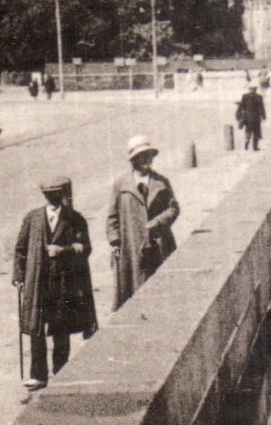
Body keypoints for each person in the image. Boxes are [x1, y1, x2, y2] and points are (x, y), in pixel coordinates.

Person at [12, 176, 98, 391]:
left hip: (63, 283)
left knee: (62, 328)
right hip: (38, 282)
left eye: (56, 195)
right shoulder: (32, 218)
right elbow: (20, 249)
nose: (52, 199)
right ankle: (38, 375)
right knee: (36, 328)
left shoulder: (75, 219)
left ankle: (61, 372)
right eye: (48, 195)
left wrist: (65, 251)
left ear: (62, 195)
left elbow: (85, 247)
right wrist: (19, 276)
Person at [106, 136, 181, 309]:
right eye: (142, 156)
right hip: (132, 245)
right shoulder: (121, 184)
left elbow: (174, 208)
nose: (148, 159)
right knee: (133, 286)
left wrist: (158, 222)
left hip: (159, 243)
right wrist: (115, 240)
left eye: (149, 155)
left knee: (161, 286)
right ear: (133, 160)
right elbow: (112, 216)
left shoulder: (161, 182)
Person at [236, 83, 267, 151]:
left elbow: (241, 106)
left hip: (248, 117)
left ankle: (247, 141)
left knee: (248, 130)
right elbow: (261, 107)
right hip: (256, 118)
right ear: (256, 89)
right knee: (256, 132)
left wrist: (238, 115)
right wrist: (263, 116)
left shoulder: (245, 96)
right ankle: (255, 147)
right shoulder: (259, 97)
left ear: (249, 89)